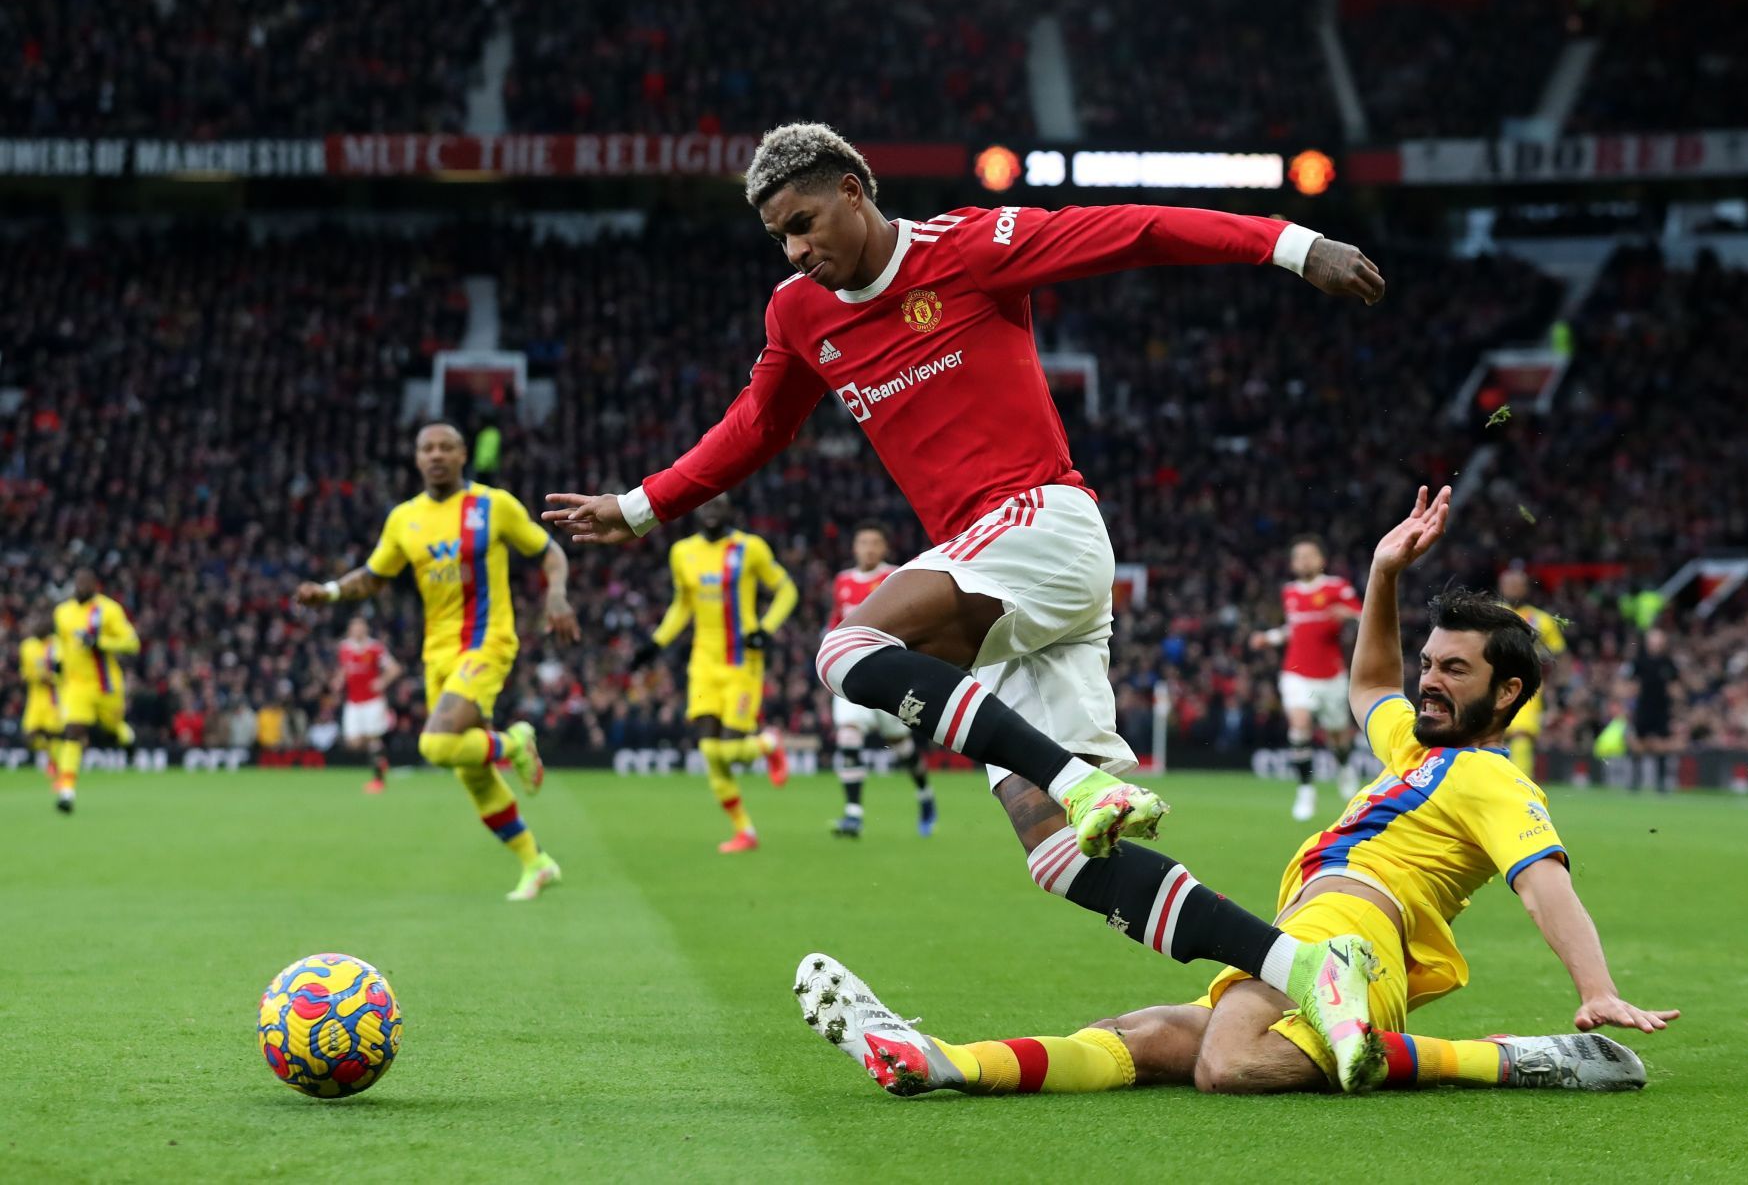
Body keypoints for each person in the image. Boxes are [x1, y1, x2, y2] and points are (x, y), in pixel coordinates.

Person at [545, 122, 1395, 1090]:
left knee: (847, 645)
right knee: (1070, 863)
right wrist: (643, 504)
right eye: (780, 235)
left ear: (857, 189)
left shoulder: (972, 247)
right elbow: (757, 424)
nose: (796, 249)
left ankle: (1079, 779)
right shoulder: (798, 313)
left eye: (806, 221)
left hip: (1039, 521)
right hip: (1000, 581)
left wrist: (1291, 244)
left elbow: (1136, 228)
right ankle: (1310, 966)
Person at [797, 487, 1679, 1098]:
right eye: (1430, 662)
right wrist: (1383, 574)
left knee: (1230, 1061)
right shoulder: (1414, 741)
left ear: (1509, 693)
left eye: (1455, 669)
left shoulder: (1492, 775)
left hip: (1357, 939)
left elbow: (1544, 880)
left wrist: (1594, 985)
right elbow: (1368, 681)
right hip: (1302, 930)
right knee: (1140, 1036)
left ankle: (1517, 1058)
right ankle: (945, 1060)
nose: (1430, 680)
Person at [295, 422, 579, 901]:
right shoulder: (404, 518)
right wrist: (328, 592)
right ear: (416, 458)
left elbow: (550, 553)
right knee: (470, 772)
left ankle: (513, 742)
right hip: (438, 654)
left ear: (463, 454)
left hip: (487, 641)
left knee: (435, 745)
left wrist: (556, 596)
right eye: (427, 448)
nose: (437, 455)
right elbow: (373, 575)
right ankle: (536, 862)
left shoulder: (495, 505)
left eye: (446, 447)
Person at [631, 494, 796, 853]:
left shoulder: (750, 548)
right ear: (696, 510)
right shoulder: (682, 553)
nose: (711, 510)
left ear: (730, 510)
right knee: (709, 751)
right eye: (705, 504)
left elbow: (786, 590)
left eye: (719, 504)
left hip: (741, 663)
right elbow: (682, 605)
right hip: (703, 662)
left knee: (732, 750)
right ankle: (745, 831)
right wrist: (656, 643)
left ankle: (768, 744)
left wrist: (765, 629)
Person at [826, 520, 935, 839]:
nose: (869, 549)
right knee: (848, 736)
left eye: (875, 543)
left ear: (884, 548)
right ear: (854, 547)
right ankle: (853, 814)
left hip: (887, 674)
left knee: (901, 746)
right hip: (848, 671)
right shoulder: (842, 581)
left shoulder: (895, 577)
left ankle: (925, 795)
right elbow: (835, 622)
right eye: (863, 543)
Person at [1252, 535, 1363, 821]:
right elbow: (1295, 628)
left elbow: (1364, 616)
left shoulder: (1337, 587)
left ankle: (1345, 767)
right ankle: (1305, 790)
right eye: (1297, 557)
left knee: (1337, 734)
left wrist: (1349, 614)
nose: (1303, 561)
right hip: (1296, 673)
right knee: (1299, 725)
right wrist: (1269, 637)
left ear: (1321, 560)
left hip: (1331, 674)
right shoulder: (1289, 592)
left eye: (1308, 556)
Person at [50, 569, 141, 814]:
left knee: (111, 728)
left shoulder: (108, 610)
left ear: (95, 585)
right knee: (73, 732)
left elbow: (132, 643)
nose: (81, 586)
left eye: (86, 582)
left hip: (106, 685)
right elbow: (61, 641)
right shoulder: (62, 612)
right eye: (78, 582)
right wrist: (58, 659)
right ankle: (66, 792)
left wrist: (100, 643)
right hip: (76, 685)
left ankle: (127, 738)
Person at [1499, 565, 1567, 782]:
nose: (1512, 588)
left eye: (1516, 584)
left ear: (1525, 587)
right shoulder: (1490, 613)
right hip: (1489, 683)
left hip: (1526, 685)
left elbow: (1559, 656)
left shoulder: (1541, 620)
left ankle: (1519, 784)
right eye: (1508, 584)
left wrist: (1557, 695)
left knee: (1521, 735)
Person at [336, 616, 403, 793]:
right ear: (350, 630)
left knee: (373, 738)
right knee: (353, 742)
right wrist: (339, 680)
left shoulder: (375, 648)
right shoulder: (344, 648)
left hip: (373, 701)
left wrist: (382, 681)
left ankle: (378, 781)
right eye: (354, 627)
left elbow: (395, 668)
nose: (357, 630)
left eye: (360, 627)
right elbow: (345, 668)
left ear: (365, 629)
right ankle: (381, 758)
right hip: (353, 702)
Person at [1626, 628, 1680, 790]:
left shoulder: (1668, 663)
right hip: (1643, 707)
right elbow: (1630, 684)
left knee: (1661, 744)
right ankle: (1635, 780)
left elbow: (1675, 685)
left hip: (1661, 708)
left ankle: (1661, 782)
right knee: (1638, 743)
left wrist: (1677, 704)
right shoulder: (1639, 661)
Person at [17, 610, 63, 785]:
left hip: (54, 697)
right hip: (35, 698)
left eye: (39, 624)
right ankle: (53, 759)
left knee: (53, 734)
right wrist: (30, 677)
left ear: (47, 627)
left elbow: (64, 672)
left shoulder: (57, 645)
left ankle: (58, 769)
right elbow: (25, 672)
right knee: (29, 735)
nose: (35, 627)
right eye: (33, 624)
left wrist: (51, 678)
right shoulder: (27, 646)